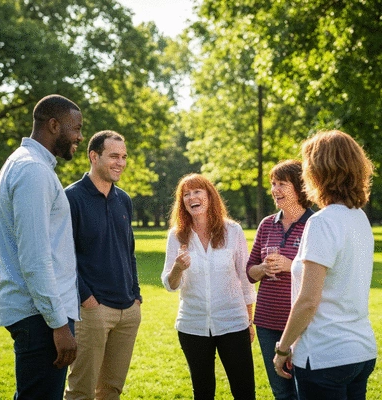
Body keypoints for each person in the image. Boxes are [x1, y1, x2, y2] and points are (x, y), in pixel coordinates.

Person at [273, 130, 377, 399]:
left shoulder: (321, 222)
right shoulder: (359, 218)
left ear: (320, 172)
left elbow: (308, 300)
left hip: (324, 357)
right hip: (360, 352)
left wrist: (282, 349)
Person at [0, 94, 83, 399]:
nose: (80, 137)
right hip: (41, 318)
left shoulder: (26, 165)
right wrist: (59, 325)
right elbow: (35, 257)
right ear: (54, 125)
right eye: (76, 128)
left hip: (39, 315)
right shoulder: (33, 170)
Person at [161, 173, 257, 400]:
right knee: (203, 392)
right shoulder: (177, 236)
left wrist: (248, 321)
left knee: (244, 391)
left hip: (233, 322)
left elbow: (245, 280)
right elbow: (170, 285)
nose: (191, 197)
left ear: (209, 196)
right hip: (192, 325)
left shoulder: (232, 231)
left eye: (197, 192)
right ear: (182, 201)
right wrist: (177, 268)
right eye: (186, 194)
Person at [64, 130, 142, 400]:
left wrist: (136, 295)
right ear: (94, 156)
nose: (120, 162)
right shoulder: (71, 198)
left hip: (127, 310)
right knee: (81, 392)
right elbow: (63, 257)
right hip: (92, 312)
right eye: (113, 156)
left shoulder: (124, 199)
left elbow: (128, 251)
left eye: (123, 157)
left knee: (111, 391)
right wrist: (86, 298)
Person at [247, 160, 313, 400]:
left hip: (302, 323)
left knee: (303, 390)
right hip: (266, 322)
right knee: (281, 392)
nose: (275, 189)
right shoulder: (266, 224)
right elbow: (249, 271)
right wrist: (263, 268)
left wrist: (291, 265)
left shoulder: (314, 225)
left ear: (300, 187)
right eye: (273, 184)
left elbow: (325, 275)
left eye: (282, 184)